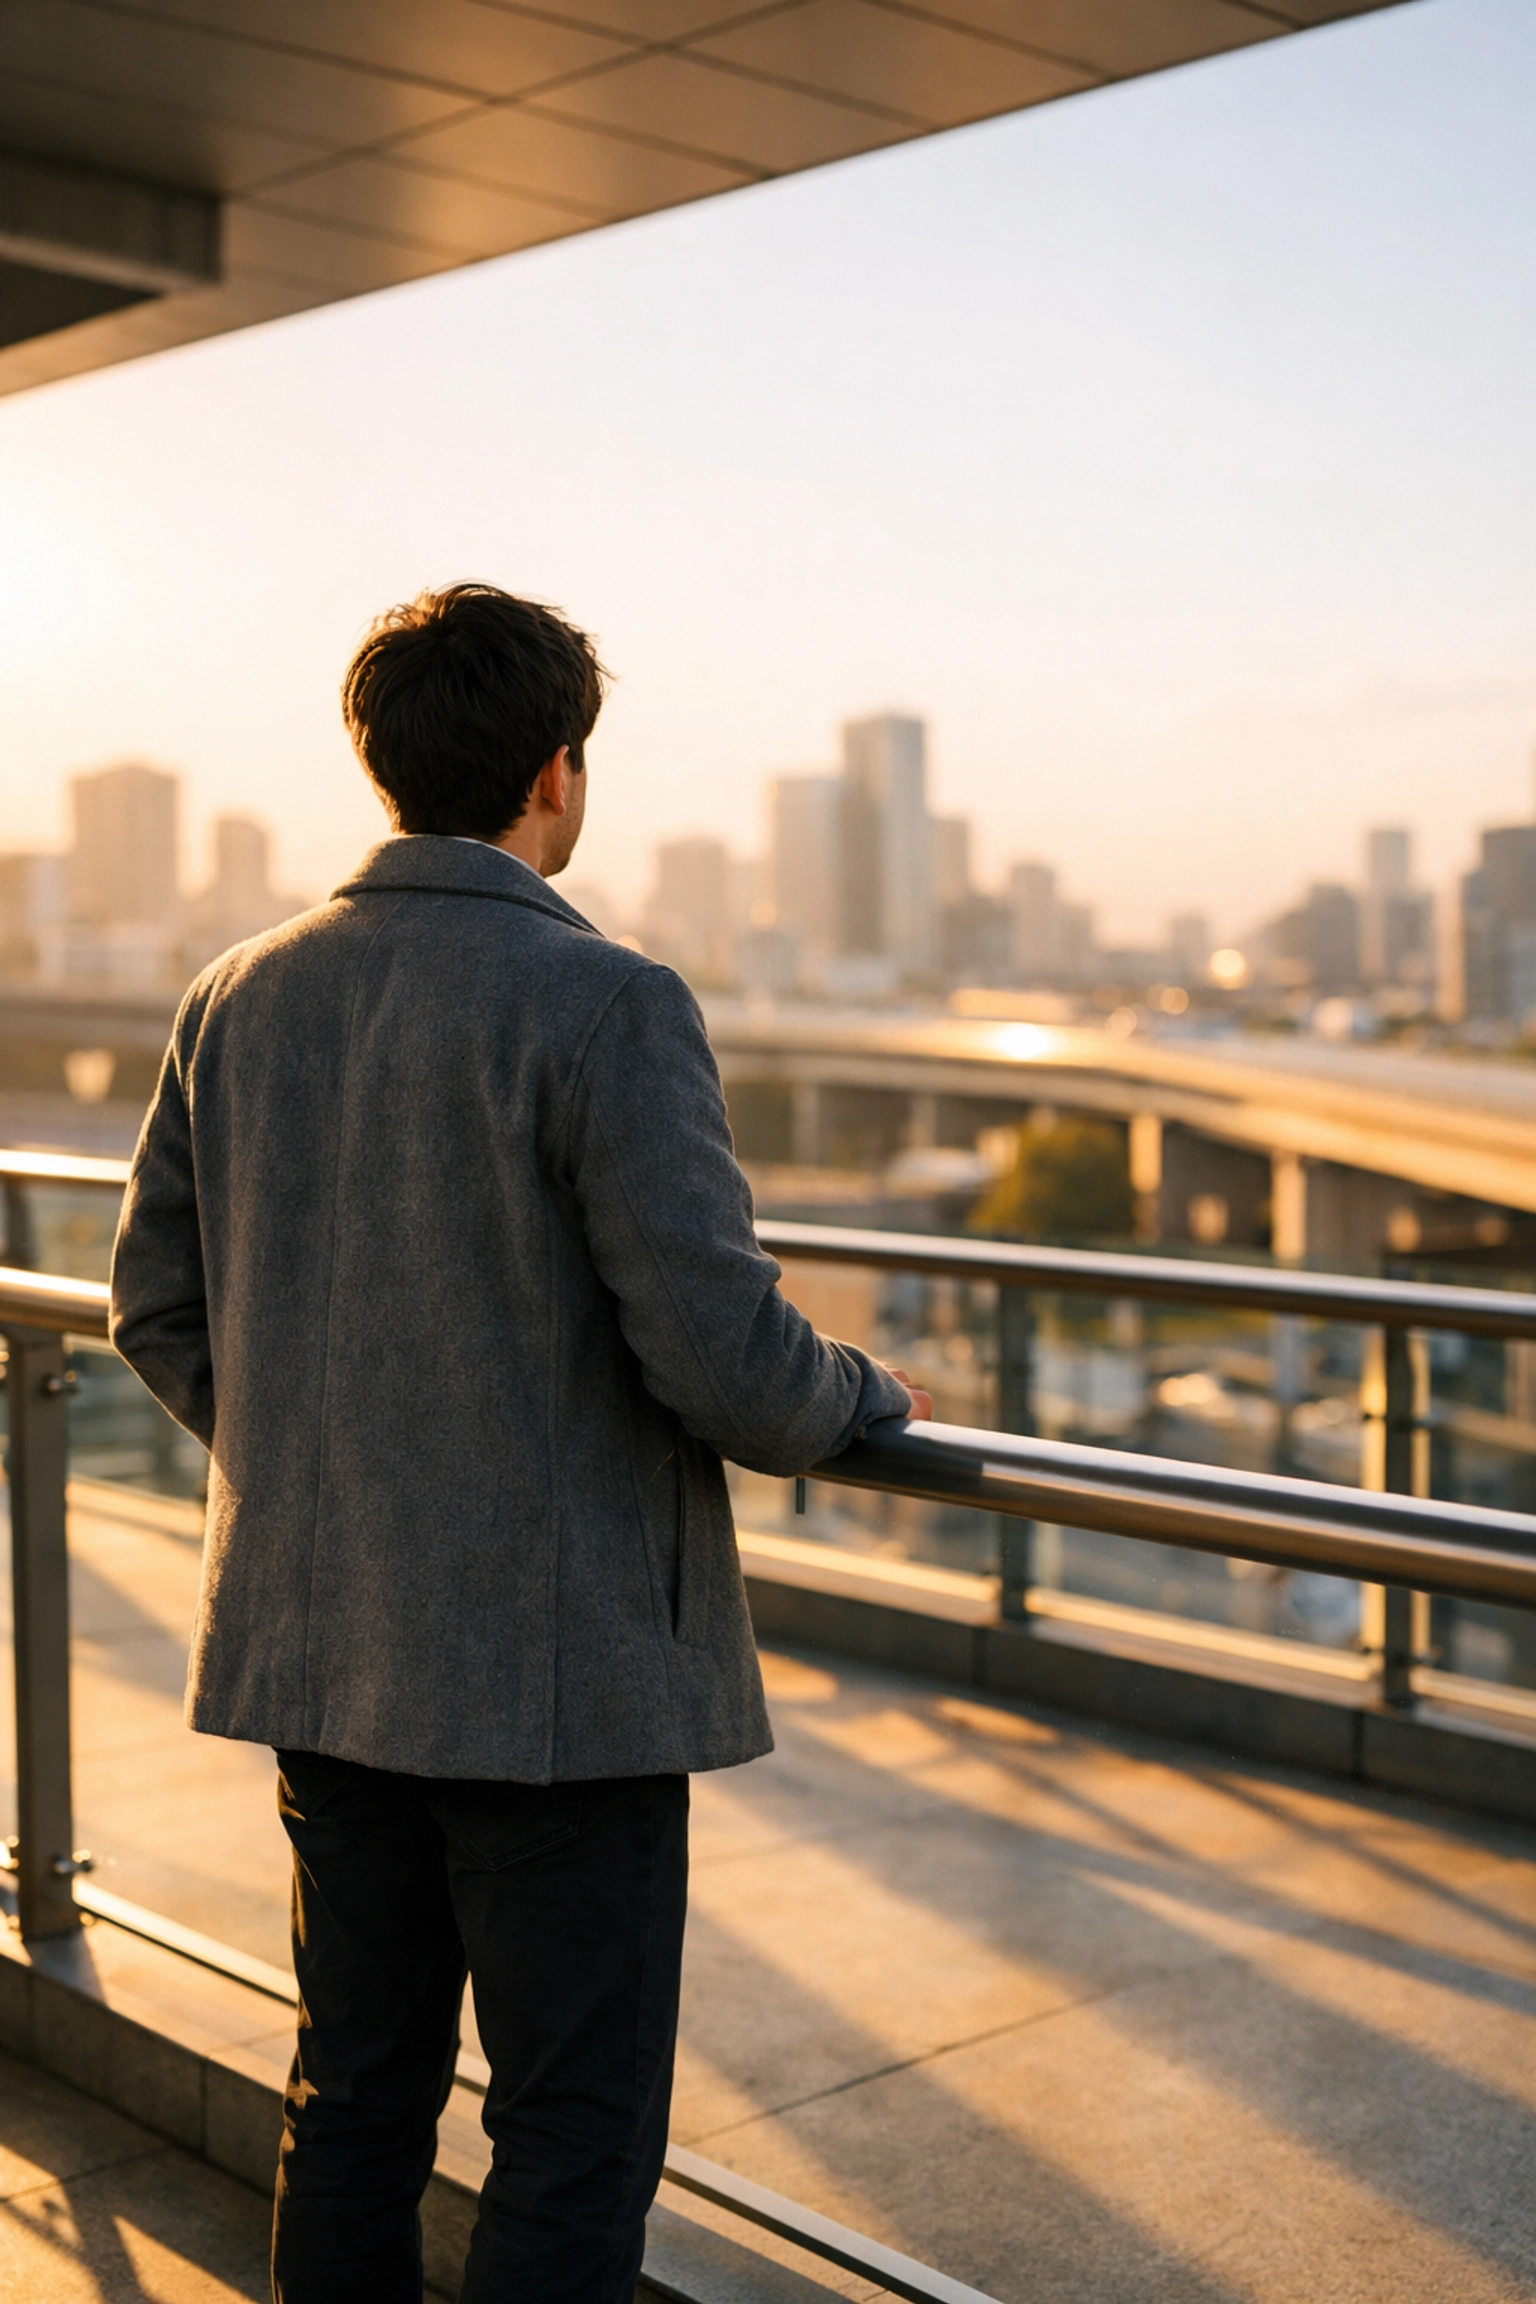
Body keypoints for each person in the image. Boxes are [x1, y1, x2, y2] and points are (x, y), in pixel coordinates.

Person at [109, 583, 930, 2304]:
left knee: (353, 2098)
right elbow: (726, 1356)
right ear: (556, 773)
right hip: (554, 1693)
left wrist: (325, 1469)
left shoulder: (233, 996)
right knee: (569, 2134)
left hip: (325, 1661)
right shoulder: (605, 1003)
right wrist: (860, 1393)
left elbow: (157, 1310)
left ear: (379, 764)